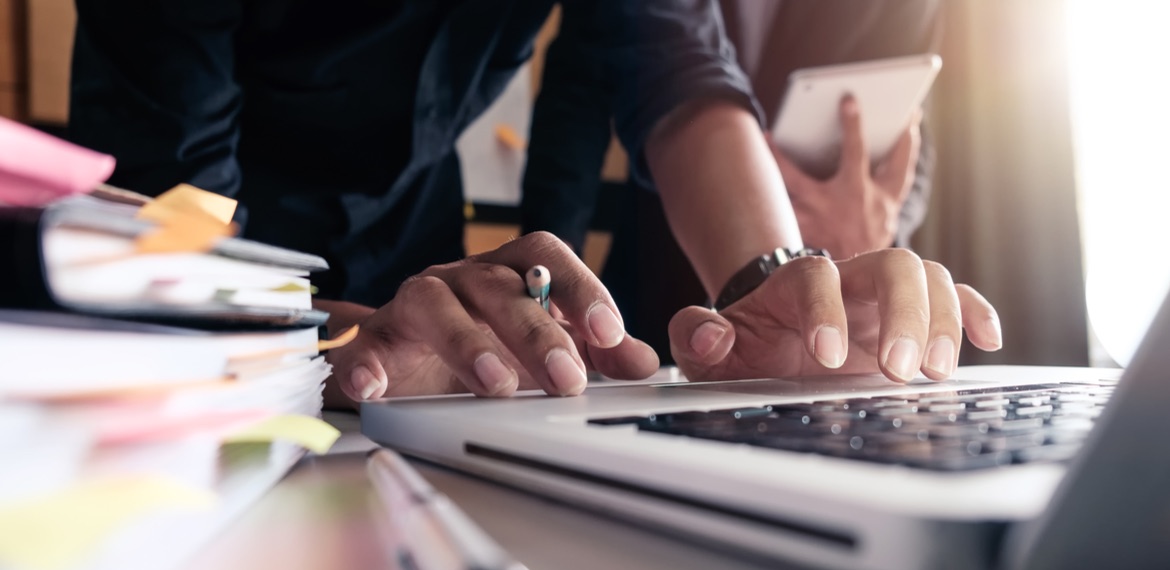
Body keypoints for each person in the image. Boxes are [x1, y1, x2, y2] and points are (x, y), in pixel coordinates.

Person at [69, 0, 1000, 407]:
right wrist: (341, 334)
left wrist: (777, 277)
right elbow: (173, 222)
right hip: (215, 266)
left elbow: (677, 65)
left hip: (419, 259)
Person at [523, 0, 941, 357]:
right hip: (664, 259)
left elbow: (913, 118)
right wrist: (551, 261)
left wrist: (877, 221)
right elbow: (599, 77)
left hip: (838, 278)